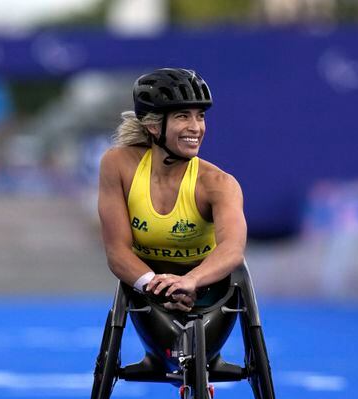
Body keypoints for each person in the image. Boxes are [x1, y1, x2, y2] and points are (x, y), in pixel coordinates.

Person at [97, 68, 246, 312]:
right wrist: (155, 287)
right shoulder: (118, 165)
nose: (196, 127)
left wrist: (190, 282)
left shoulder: (219, 184)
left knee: (202, 343)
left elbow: (232, 249)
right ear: (154, 126)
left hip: (208, 287)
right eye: (183, 116)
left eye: (200, 116)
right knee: (160, 346)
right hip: (147, 284)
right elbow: (117, 251)